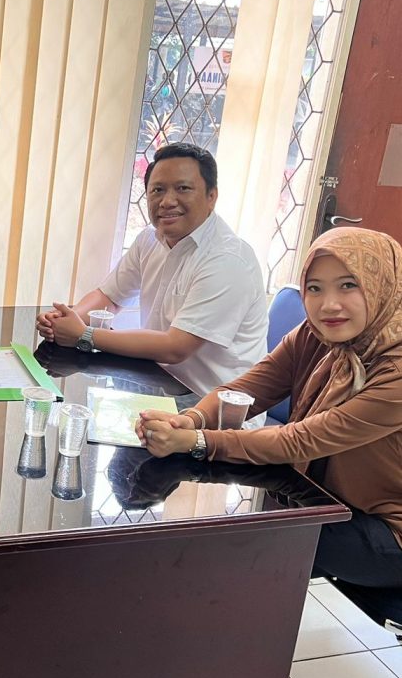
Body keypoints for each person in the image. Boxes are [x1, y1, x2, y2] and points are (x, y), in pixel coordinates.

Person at [137, 226, 402, 589]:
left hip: (386, 530)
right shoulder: (316, 334)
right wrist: (190, 419)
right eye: (314, 288)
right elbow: (247, 389)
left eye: (348, 285)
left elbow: (300, 441)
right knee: (217, 534)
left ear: (382, 285)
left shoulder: (396, 370)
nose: (328, 304)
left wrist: (198, 440)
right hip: (322, 494)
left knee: (245, 547)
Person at [35, 142, 268, 409]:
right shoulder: (149, 239)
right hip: (158, 382)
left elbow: (175, 347)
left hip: (212, 406)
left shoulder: (228, 260)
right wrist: (68, 318)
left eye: (183, 188)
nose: (167, 201)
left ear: (211, 196)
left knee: (78, 413)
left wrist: (84, 334)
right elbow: (109, 297)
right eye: (157, 190)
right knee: (65, 405)